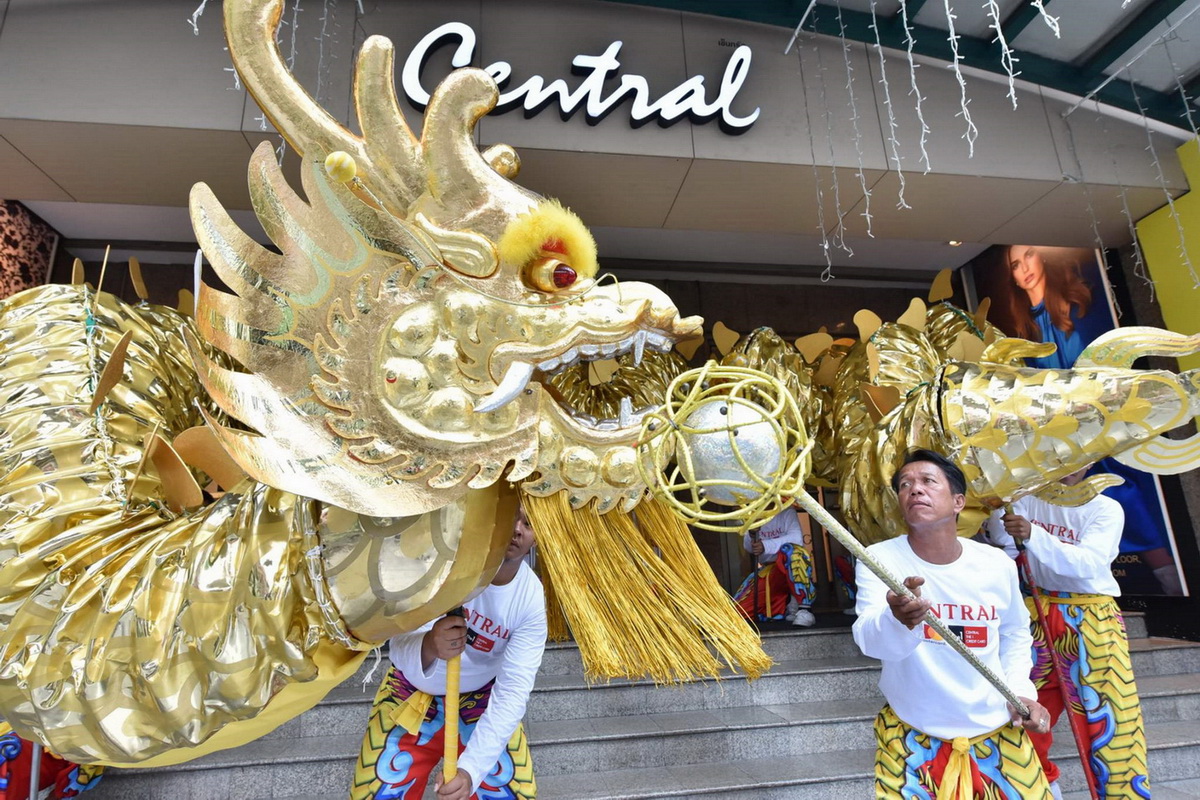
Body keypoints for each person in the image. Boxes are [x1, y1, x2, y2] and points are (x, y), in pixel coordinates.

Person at [853, 449, 1053, 799]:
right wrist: (897, 620)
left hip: (998, 729)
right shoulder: (880, 560)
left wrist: (1022, 690)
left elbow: (1014, 634)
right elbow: (870, 642)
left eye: (928, 481)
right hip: (913, 736)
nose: (915, 490)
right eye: (905, 485)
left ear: (958, 501)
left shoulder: (996, 564)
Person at [351, 504, 546, 800]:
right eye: (511, 516)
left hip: (482, 702)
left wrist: (471, 770)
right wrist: (428, 645)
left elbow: (513, 691)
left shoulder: (530, 599)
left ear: (539, 537)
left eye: (529, 524)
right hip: (409, 693)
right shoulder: (441, 564)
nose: (517, 529)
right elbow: (399, 645)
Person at [986, 468, 1151, 800]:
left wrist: (1034, 534)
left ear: (1089, 461)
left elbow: (1088, 564)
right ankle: (1039, 788)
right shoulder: (1025, 499)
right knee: (1023, 706)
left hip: (1090, 616)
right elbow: (1002, 545)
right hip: (1038, 610)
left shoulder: (1105, 508)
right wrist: (999, 506)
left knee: (1108, 717)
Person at [1002, 245, 1093, 370]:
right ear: (1014, 278)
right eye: (1015, 265)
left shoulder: (1075, 301)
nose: (1025, 268)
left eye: (1029, 255)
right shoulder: (1024, 334)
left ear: (1042, 256)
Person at [732, 506, 816, 627]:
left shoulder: (787, 511)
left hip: (790, 566)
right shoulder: (752, 512)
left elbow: (797, 540)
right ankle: (787, 604)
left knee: (793, 551)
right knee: (738, 612)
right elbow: (749, 548)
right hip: (770, 571)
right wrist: (751, 533)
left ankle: (804, 609)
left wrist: (765, 545)